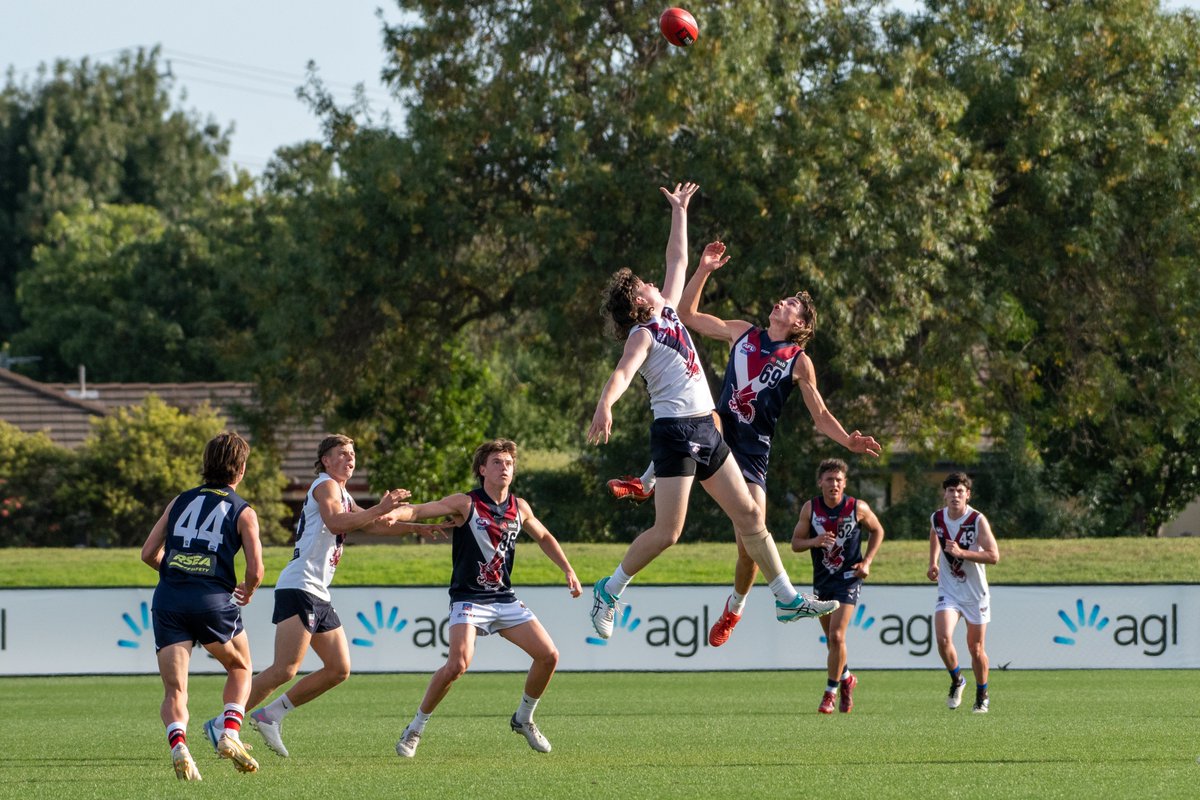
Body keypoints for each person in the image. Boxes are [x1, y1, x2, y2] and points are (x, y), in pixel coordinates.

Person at [587, 181, 837, 641]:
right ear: (639, 301)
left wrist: (680, 211)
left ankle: (786, 599)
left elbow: (677, 260)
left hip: (707, 429)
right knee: (668, 532)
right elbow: (622, 373)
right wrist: (605, 404)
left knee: (752, 518)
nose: (652, 283)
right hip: (676, 434)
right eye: (644, 285)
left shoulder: (666, 310)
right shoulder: (642, 334)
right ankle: (609, 589)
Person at [609, 238, 881, 647]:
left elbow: (821, 416)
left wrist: (848, 440)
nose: (781, 303)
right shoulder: (742, 333)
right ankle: (647, 481)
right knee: (704, 416)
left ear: (799, 324)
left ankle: (734, 608)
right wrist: (704, 270)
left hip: (752, 455)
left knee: (750, 541)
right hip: (715, 430)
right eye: (784, 299)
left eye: (791, 304)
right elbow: (687, 315)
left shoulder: (798, 362)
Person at [208, 434, 447, 759]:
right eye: (342, 453)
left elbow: (372, 525)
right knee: (285, 669)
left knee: (338, 668)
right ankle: (222, 723)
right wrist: (380, 507)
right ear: (325, 460)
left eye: (352, 454)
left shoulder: (341, 492)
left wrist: (414, 528)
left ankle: (270, 715)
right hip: (300, 585)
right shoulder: (325, 485)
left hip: (316, 591)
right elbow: (336, 523)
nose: (350, 459)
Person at [392, 438, 582, 758]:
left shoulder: (520, 507)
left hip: (503, 599)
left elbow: (545, 536)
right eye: (496, 462)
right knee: (457, 664)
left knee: (549, 655)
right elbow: (421, 510)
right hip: (469, 598)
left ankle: (523, 719)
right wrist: (394, 513)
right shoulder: (466, 503)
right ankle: (415, 728)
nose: (504, 468)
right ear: (482, 470)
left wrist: (568, 569)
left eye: (508, 463)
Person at [140, 431, 264, 781]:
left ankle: (179, 744)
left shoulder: (179, 501)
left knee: (175, 689)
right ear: (241, 470)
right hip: (212, 602)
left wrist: (177, 572)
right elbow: (255, 570)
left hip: (169, 600)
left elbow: (148, 553)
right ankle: (230, 733)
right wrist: (249, 590)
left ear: (205, 464)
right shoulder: (243, 510)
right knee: (240, 667)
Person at [791, 458, 885, 714]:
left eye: (839, 480)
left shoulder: (857, 507)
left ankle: (830, 693)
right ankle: (846, 678)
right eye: (830, 479)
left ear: (845, 484)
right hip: (823, 580)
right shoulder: (811, 508)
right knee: (832, 642)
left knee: (836, 636)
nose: (834, 484)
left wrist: (867, 561)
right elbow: (796, 543)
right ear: (820, 482)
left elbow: (877, 531)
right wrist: (815, 541)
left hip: (849, 579)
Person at [927, 472, 999, 713]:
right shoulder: (937, 517)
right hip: (949, 590)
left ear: (968, 495)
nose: (955, 495)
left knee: (975, 648)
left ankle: (982, 693)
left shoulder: (977, 520)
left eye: (960, 491)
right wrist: (933, 562)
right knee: (942, 638)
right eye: (951, 491)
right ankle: (957, 680)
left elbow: (993, 556)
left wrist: (962, 553)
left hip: (975, 594)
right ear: (944, 494)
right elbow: (935, 533)